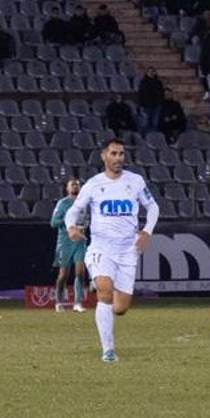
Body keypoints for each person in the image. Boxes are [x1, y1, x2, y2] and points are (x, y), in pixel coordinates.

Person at [65, 138, 160, 363]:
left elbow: (153, 207)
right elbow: (74, 211)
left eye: (121, 154)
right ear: (104, 156)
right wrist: (71, 227)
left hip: (128, 251)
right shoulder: (93, 185)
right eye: (114, 154)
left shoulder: (135, 182)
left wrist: (146, 231)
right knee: (105, 292)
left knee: (120, 308)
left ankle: (103, 287)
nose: (118, 158)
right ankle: (108, 351)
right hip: (101, 248)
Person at [49, 177, 89, 313]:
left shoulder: (83, 204)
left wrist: (82, 226)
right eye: (72, 185)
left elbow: (87, 220)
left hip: (79, 240)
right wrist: (69, 222)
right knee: (63, 274)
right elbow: (53, 222)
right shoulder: (63, 203)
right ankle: (59, 301)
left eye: (77, 185)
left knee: (80, 271)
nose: (75, 187)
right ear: (67, 188)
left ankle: (77, 303)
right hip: (64, 241)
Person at [137, 68, 165, 134]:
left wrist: (160, 103)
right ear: (147, 73)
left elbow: (161, 93)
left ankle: (153, 137)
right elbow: (140, 94)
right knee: (145, 123)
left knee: (155, 123)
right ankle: (144, 137)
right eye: (150, 72)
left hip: (156, 106)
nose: (151, 73)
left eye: (153, 71)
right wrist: (141, 105)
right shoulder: (143, 82)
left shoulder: (158, 82)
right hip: (145, 106)